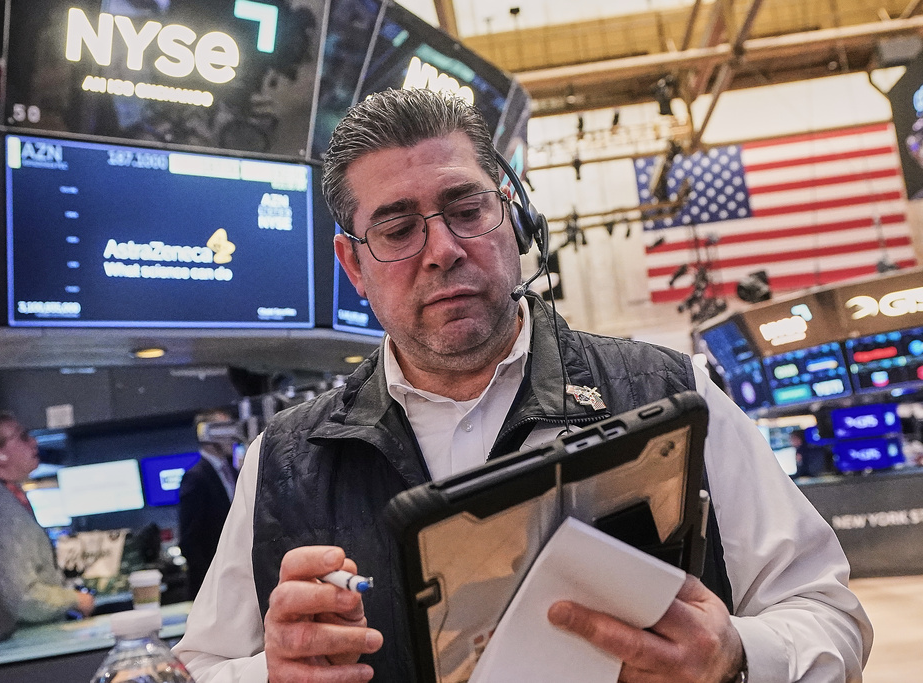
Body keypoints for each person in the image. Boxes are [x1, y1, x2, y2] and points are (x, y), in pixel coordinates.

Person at [174, 89, 872, 682]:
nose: (444, 249)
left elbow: (829, 614)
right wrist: (267, 670)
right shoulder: (287, 459)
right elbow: (197, 667)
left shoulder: (669, 390)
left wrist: (735, 653)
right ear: (353, 267)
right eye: (397, 228)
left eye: (466, 208)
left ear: (511, 215)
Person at [0, 411, 94, 624]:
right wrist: (76, 599)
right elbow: (24, 598)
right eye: (22, 437)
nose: (33, 442)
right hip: (17, 641)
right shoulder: (2, 512)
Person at [178, 409, 240, 599]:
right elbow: (189, 540)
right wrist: (212, 583)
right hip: (214, 587)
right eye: (226, 431)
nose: (233, 437)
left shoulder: (232, 470)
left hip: (237, 578)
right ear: (207, 435)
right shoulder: (196, 478)